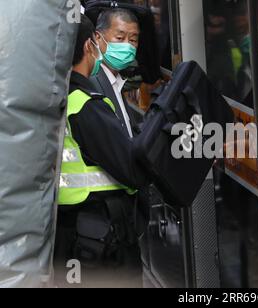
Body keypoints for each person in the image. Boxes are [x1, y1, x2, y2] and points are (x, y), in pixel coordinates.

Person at [54, 14, 150, 288]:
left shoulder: (60, 98)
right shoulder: (85, 104)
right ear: (90, 45)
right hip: (99, 239)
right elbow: (131, 168)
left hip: (75, 233)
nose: (127, 46)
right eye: (119, 38)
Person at [90, 9, 141, 138]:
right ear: (98, 38)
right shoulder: (92, 83)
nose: (127, 46)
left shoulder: (117, 80)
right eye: (120, 38)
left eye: (133, 40)